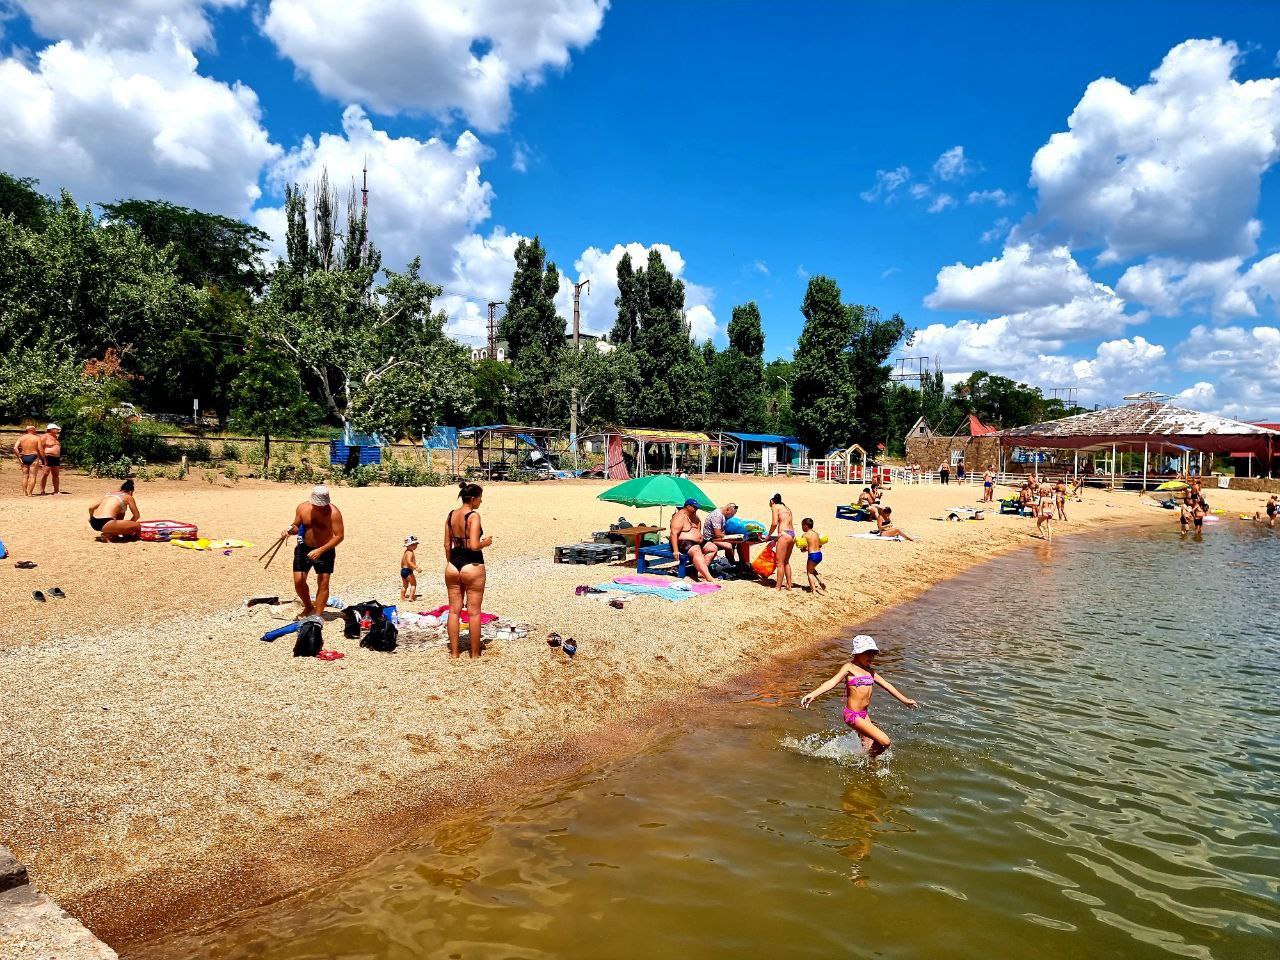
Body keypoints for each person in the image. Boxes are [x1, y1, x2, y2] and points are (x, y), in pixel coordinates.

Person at [800, 634, 918, 757]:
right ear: (858, 653)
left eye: (873, 653)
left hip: (864, 715)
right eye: (867, 653)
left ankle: (868, 762)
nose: (871, 657)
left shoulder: (870, 671)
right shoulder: (849, 667)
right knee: (885, 742)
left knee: (868, 745)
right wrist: (813, 694)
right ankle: (869, 758)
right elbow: (832, 682)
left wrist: (905, 700)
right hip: (852, 715)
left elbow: (887, 686)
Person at [284, 485, 344, 621]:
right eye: (317, 505)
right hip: (304, 547)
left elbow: (339, 536)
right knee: (299, 581)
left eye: (323, 505)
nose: (320, 507)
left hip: (325, 550)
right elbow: (296, 526)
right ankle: (308, 606)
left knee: (323, 582)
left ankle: (317, 615)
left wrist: (320, 550)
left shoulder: (334, 513)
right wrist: (289, 530)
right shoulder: (302, 508)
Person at [445, 482, 492, 658]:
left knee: (453, 611)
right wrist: (485, 543)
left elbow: (446, 544)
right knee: (474, 612)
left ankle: (454, 653)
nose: (481, 501)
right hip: (472, 564)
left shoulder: (451, 515)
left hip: (453, 564)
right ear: (472, 499)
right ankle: (474, 653)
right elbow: (473, 545)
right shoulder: (473, 516)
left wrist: (451, 562)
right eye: (480, 498)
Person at [670, 499, 715, 582]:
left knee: (713, 548)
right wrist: (675, 551)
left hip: (696, 542)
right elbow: (673, 534)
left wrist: (699, 539)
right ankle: (708, 576)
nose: (696, 509)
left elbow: (698, 529)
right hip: (683, 542)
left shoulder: (694, 516)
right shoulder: (679, 517)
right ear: (688, 506)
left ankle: (701, 571)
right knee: (696, 551)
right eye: (694, 507)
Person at [702, 501, 749, 568]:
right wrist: (731, 537)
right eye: (731, 514)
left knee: (740, 542)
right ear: (727, 510)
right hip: (711, 538)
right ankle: (732, 563)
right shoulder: (717, 516)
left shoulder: (724, 514)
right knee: (729, 546)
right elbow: (718, 534)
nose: (732, 516)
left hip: (717, 536)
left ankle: (742, 563)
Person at [767, 493, 796, 591]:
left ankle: (778, 587)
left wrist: (769, 535)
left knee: (779, 563)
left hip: (784, 534)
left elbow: (774, 523)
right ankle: (789, 585)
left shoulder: (775, 506)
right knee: (786, 562)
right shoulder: (786, 508)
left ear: (772, 501)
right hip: (792, 534)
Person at [13, 426, 41, 497]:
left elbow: (15, 448)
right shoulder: (37, 438)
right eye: (35, 429)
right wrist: (43, 458)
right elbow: (40, 449)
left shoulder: (21, 438)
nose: (36, 431)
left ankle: (24, 492)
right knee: (32, 476)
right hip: (33, 456)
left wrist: (19, 457)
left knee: (25, 476)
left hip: (24, 457)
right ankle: (30, 493)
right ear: (32, 430)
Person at [800, 517, 826, 593]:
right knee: (812, 569)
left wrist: (803, 549)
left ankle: (813, 590)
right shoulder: (816, 534)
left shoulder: (805, 535)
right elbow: (820, 545)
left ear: (806, 526)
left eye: (802, 526)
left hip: (812, 555)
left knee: (809, 572)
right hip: (819, 555)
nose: (802, 527)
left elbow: (803, 549)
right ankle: (820, 581)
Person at [38, 424, 63, 495]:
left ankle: (56, 490)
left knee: (56, 474)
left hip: (56, 458)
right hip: (48, 457)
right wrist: (43, 459)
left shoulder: (56, 437)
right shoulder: (44, 437)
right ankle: (42, 490)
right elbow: (40, 448)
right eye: (56, 429)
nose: (57, 430)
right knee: (45, 474)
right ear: (51, 429)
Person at [400, 535, 420, 602]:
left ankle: (402, 597)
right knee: (413, 584)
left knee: (405, 585)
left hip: (403, 570)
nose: (416, 546)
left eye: (416, 544)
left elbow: (402, 562)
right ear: (410, 545)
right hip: (408, 571)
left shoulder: (406, 552)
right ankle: (411, 597)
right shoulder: (410, 553)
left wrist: (402, 567)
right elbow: (409, 562)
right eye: (414, 544)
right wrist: (416, 567)